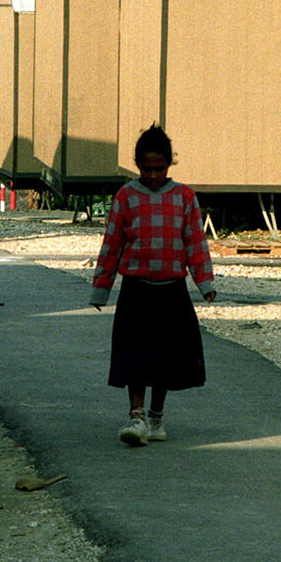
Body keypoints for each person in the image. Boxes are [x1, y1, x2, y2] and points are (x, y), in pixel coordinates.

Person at [90, 124, 216, 447]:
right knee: (135, 355)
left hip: (172, 291)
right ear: (137, 164)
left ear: (169, 164)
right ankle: (136, 415)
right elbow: (112, 245)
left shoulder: (185, 197)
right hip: (136, 290)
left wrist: (205, 283)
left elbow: (195, 243)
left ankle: (156, 414)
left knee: (166, 358)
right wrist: (101, 288)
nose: (154, 175)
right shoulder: (126, 197)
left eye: (159, 168)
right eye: (147, 168)